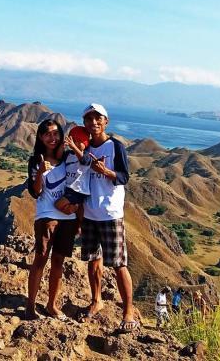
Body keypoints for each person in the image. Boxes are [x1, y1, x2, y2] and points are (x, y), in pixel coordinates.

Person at [77, 103, 140, 332]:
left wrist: (107, 172)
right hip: (90, 213)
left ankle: (128, 311)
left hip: (111, 214)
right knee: (94, 261)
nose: (93, 122)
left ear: (106, 122)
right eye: (89, 119)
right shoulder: (85, 150)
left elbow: (125, 176)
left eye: (97, 118)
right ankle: (96, 300)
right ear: (84, 123)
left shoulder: (115, 147)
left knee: (119, 264)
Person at [25, 118, 77, 320]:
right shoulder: (35, 161)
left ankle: (51, 305)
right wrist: (41, 173)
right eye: (47, 134)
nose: (52, 137)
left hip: (68, 217)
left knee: (58, 262)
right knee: (41, 259)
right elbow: (35, 192)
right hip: (47, 216)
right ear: (40, 137)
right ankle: (30, 305)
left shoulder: (68, 158)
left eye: (56, 133)